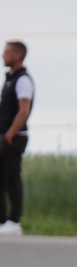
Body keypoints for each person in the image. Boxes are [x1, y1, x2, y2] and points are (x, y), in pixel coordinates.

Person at [0, 41, 34, 236]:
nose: (3, 55)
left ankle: (14, 220)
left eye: (7, 52)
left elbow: (23, 111)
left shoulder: (23, 80)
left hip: (14, 136)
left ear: (18, 55)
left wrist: (10, 134)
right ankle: (2, 220)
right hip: (5, 135)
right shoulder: (9, 79)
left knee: (12, 178)